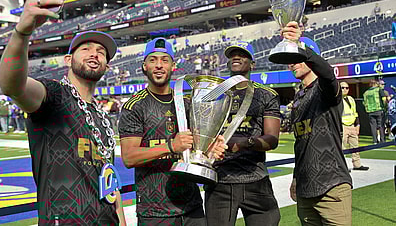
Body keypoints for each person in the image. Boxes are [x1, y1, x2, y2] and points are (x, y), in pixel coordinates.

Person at [0, 0, 126, 225]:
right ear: (68, 60)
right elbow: (12, 85)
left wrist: (121, 220)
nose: (94, 54)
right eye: (85, 48)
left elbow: (110, 182)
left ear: (107, 66)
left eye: (101, 52)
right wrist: (22, 32)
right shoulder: (54, 95)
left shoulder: (101, 116)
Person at [118, 37, 226, 226]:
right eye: (153, 60)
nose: (159, 65)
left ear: (173, 66)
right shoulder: (134, 106)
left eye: (164, 60)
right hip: (155, 212)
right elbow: (129, 157)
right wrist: (171, 146)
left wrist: (211, 151)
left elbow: (196, 148)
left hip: (191, 207)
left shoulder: (187, 103)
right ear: (144, 66)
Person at [204, 41, 281, 226]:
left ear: (252, 63)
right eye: (232, 55)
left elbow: (272, 139)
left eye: (242, 54)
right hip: (220, 179)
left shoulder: (266, 95)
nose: (236, 57)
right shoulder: (212, 94)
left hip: (256, 178)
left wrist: (245, 142)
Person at [287, 31, 352, 226]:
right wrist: (296, 178)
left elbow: (328, 74)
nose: (292, 63)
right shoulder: (298, 98)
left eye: (298, 58)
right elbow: (301, 144)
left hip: (331, 185)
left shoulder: (325, 89)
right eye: (291, 59)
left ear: (311, 57)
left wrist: (299, 44)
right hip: (305, 188)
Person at [340, 81, 369, 171]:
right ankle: (342, 166)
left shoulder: (351, 99)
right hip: (343, 125)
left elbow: (355, 113)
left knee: (355, 146)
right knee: (342, 147)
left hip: (352, 125)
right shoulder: (337, 101)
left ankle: (357, 164)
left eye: (347, 88)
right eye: (343, 88)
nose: (345, 89)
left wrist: (358, 125)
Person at [363, 80, 386, 144]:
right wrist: (385, 107)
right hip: (379, 110)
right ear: (375, 84)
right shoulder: (379, 90)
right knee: (381, 126)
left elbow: (364, 103)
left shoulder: (366, 92)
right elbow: (384, 99)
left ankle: (375, 141)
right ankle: (382, 141)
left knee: (373, 127)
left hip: (370, 112)